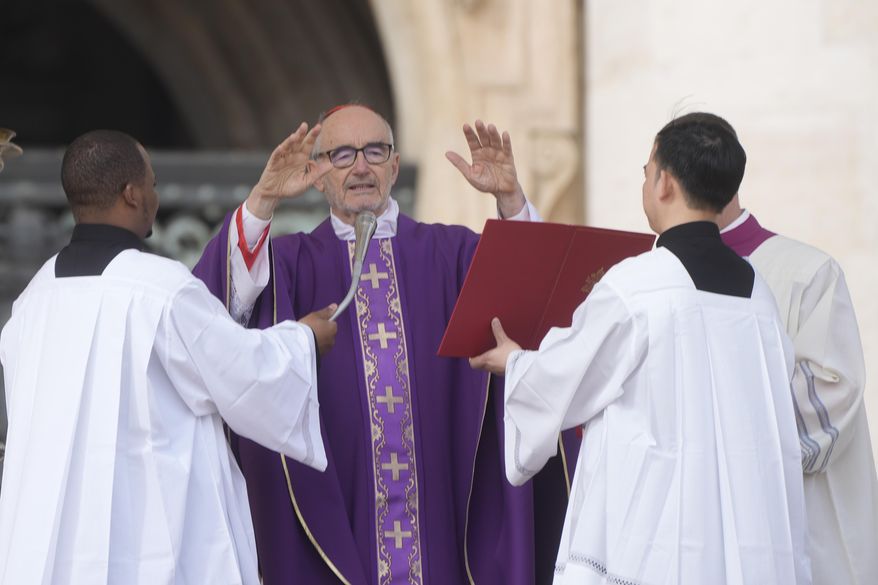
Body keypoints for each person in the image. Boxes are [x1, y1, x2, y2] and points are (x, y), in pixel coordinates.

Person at [193, 105, 576, 584]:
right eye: (342, 154)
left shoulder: (452, 255)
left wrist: (511, 202)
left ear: (395, 167)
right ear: (316, 175)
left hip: (442, 515)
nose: (360, 166)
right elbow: (212, 321)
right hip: (335, 508)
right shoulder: (288, 266)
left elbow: (534, 308)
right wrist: (263, 201)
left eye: (375, 151)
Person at [471, 113, 811, 584]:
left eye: (647, 170)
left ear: (664, 182)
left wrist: (516, 362)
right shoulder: (758, 296)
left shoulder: (640, 284)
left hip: (658, 542)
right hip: (740, 543)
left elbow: (566, 379)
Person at [0, 130, 338, 584]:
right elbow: (245, 374)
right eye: (154, 185)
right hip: (148, 550)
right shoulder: (160, 288)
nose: (156, 197)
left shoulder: (33, 301)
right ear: (132, 194)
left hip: (51, 550)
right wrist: (304, 341)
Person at [717, 151, 878, 583]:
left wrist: (713, 419)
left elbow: (832, 394)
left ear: (671, 182)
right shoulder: (656, 278)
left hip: (805, 535)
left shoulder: (805, 272)